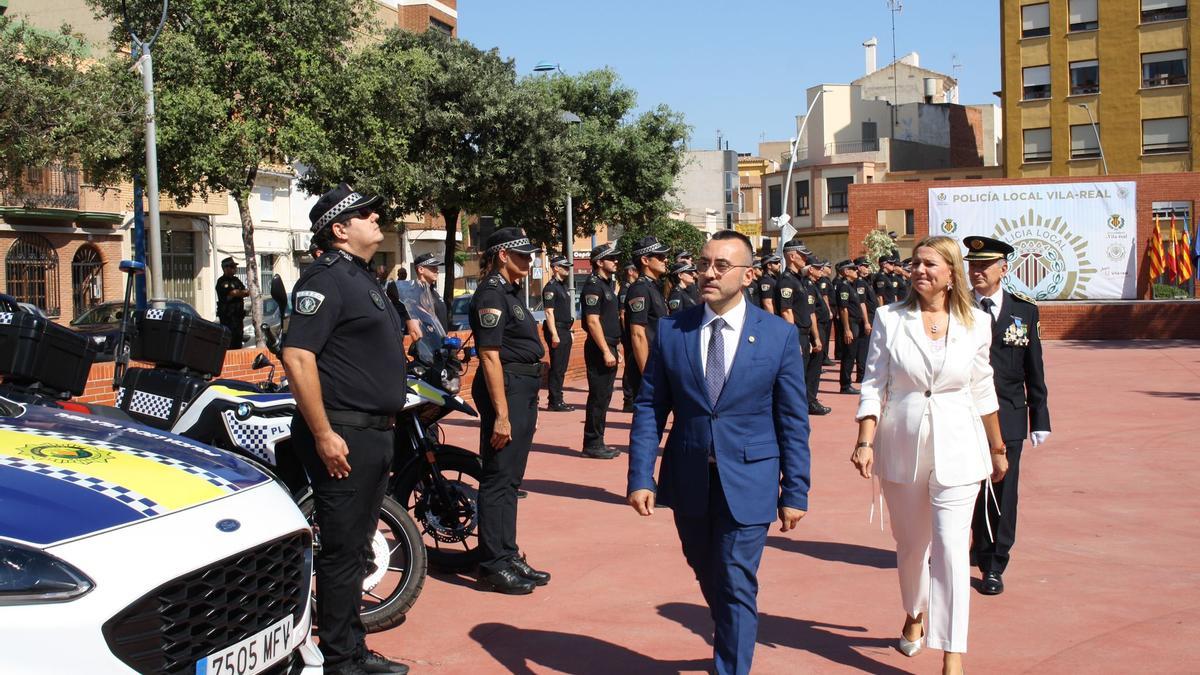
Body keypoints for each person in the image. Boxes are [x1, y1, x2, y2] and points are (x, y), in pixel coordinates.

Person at [627, 230, 810, 675]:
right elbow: (651, 406)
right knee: (705, 567)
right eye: (705, 263)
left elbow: (792, 420)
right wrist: (640, 476)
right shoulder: (673, 330)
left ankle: (730, 665)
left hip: (750, 477)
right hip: (689, 474)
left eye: (720, 266)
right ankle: (732, 626)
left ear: (748, 275)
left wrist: (795, 491)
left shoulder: (778, 336)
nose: (708, 272)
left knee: (734, 577)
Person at [849, 235, 1007, 675]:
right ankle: (914, 613)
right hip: (902, 443)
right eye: (915, 263)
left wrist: (997, 447)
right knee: (911, 546)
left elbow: (982, 386)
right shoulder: (889, 317)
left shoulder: (976, 321)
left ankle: (952, 653)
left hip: (960, 444)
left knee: (954, 548)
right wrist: (864, 440)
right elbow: (873, 382)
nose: (919, 270)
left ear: (951, 272)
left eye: (929, 264)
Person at [281, 184, 409, 675]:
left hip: (374, 432)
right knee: (341, 553)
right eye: (365, 214)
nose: (376, 217)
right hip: (344, 435)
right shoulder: (326, 279)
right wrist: (323, 434)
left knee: (357, 549)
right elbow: (297, 355)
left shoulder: (362, 277)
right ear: (339, 229)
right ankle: (341, 661)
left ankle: (351, 649)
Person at [964, 235, 1051, 596]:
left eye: (984, 266)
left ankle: (994, 562)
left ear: (1005, 268)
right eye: (973, 265)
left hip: (1009, 415)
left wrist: (1040, 416)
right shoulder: (957, 307)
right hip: (963, 412)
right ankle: (962, 546)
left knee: (1001, 491)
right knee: (962, 486)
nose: (977, 272)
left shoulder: (1024, 310)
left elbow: (1034, 368)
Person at [469, 227, 550, 595]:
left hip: (523, 389)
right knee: (498, 477)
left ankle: (507, 552)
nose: (528, 261)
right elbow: (488, 355)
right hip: (507, 389)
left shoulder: (512, 292)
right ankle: (492, 565)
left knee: (512, 479)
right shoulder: (491, 294)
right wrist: (501, 414)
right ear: (503, 255)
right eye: (522, 255)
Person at [579, 243, 623, 459]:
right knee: (598, 396)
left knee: (604, 396)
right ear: (599, 262)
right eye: (612, 258)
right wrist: (606, 350)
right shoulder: (593, 286)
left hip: (608, 345)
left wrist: (614, 348)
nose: (616, 261)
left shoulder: (606, 285)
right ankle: (592, 443)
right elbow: (593, 321)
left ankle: (599, 440)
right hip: (599, 348)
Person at [624, 236, 670, 402]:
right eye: (660, 257)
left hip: (658, 360)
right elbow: (637, 333)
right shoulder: (640, 289)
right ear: (645, 260)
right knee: (646, 421)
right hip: (647, 364)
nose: (665, 260)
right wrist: (647, 376)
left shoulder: (653, 287)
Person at [541, 256, 575, 413]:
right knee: (557, 367)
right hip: (557, 330)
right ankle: (555, 401)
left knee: (561, 367)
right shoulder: (550, 288)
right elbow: (549, 312)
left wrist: (570, 331)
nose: (567, 269)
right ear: (555, 268)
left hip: (565, 330)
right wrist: (554, 334)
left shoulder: (562, 287)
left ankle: (557, 398)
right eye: (564, 267)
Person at [802, 257, 831, 415]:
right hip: (816, 329)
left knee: (815, 368)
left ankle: (811, 398)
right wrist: (816, 337)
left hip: (820, 327)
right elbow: (811, 312)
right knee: (813, 369)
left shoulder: (813, 285)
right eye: (818, 268)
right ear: (810, 269)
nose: (821, 270)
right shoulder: (808, 285)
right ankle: (810, 401)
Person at [835, 260, 870, 394]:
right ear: (846, 272)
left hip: (855, 323)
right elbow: (843, 309)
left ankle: (847, 383)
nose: (856, 271)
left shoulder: (851, 286)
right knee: (848, 356)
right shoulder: (843, 286)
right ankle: (845, 385)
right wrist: (847, 329)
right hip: (850, 324)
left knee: (852, 354)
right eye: (853, 269)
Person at [215, 257, 248, 349]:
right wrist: (239, 293)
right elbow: (233, 293)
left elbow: (245, 292)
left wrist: (240, 293)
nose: (235, 269)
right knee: (229, 344)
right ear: (225, 268)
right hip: (228, 319)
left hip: (238, 318)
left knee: (238, 343)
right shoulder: (222, 281)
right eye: (232, 266)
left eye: (235, 266)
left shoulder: (236, 280)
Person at [619, 262, 639, 412]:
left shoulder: (633, 288)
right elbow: (622, 314)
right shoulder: (625, 289)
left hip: (632, 335)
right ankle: (628, 400)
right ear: (631, 272)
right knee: (630, 366)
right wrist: (627, 335)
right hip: (629, 335)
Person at [413, 252, 449, 332]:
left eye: (437, 268)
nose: (437, 271)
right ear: (421, 269)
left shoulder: (433, 291)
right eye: (433, 268)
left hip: (442, 341)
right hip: (428, 342)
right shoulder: (416, 293)